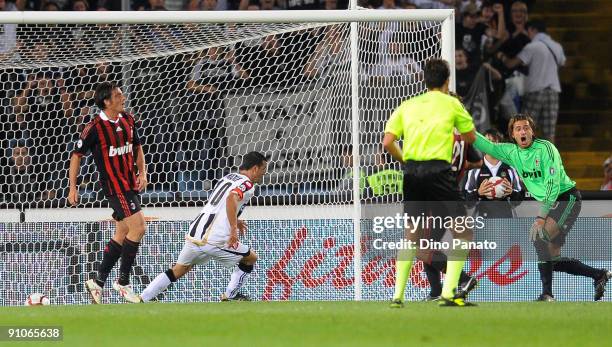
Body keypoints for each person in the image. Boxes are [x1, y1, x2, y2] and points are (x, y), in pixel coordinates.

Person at [473, 114, 611, 301]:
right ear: (512, 135)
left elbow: (553, 185)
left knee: (539, 238)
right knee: (551, 258)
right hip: (552, 204)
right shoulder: (512, 152)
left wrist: (540, 217)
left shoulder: (546, 149)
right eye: (518, 129)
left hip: (566, 199)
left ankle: (547, 294)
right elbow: (486, 145)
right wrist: (462, 127)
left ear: (532, 131)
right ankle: (598, 274)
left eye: (526, 127)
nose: (523, 131)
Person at [383, 59, 477, 307]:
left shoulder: (408, 104)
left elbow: (387, 141)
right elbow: (470, 137)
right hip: (438, 171)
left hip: (412, 171)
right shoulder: (451, 103)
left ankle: (397, 297)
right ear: (447, 81)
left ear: (425, 80)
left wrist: (405, 160)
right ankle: (448, 293)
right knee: (463, 231)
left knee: (411, 236)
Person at [139, 152, 267, 302]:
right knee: (251, 258)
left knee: (179, 269)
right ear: (255, 168)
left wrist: (235, 219)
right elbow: (231, 198)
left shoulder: (227, 177)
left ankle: (142, 298)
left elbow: (219, 204)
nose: (264, 174)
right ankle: (230, 296)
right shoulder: (248, 185)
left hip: (196, 231)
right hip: (214, 237)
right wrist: (233, 229)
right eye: (263, 169)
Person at [68, 82, 148, 304]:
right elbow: (76, 156)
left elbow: (137, 147)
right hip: (115, 187)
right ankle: (123, 283)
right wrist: (72, 187)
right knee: (139, 227)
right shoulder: (94, 127)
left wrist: (143, 173)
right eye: (118, 95)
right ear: (106, 101)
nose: (123, 98)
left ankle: (98, 282)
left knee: (123, 231)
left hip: (130, 183)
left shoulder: (128, 120)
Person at [497, 20, 565, 143]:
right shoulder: (557, 47)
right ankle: (549, 160)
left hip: (536, 91)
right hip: (553, 92)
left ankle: (527, 160)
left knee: (525, 129)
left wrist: (501, 56)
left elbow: (511, 64)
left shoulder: (532, 47)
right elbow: (562, 63)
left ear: (532, 30)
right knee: (549, 133)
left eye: (528, 31)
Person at [465, 128, 523, 218]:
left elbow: (518, 199)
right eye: (487, 142)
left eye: (494, 142)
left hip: (506, 221)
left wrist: (511, 193)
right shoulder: (474, 170)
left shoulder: (511, 169)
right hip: (482, 221)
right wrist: (478, 193)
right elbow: (466, 202)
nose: (490, 145)